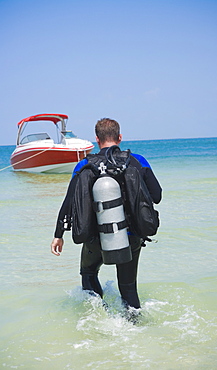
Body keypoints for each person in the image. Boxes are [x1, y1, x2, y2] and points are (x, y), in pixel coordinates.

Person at [51, 118, 162, 311]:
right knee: (128, 288)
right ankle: (135, 329)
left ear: (97, 139)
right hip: (132, 236)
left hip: (96, 237)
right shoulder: (138, 160)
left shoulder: (84, 164)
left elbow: (69, 202)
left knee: (89, 273)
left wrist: (58, 235)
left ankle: (97, 318)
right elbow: (157, 196)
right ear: (119, 137)